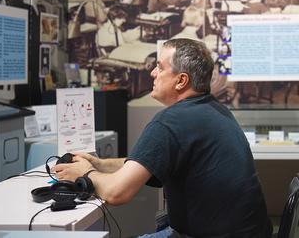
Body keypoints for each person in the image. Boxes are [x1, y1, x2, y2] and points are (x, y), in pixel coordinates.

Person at [54, 39, 272, 238]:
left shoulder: (171, 121)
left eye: (160, 67)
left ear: (181, 80)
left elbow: (116, 193)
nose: (152, 73)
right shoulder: (214, 109)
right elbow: (148, 162)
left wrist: (85, 173)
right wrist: (100, 164)